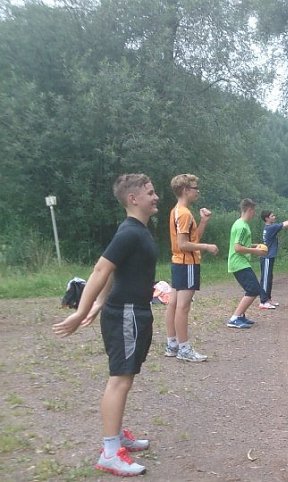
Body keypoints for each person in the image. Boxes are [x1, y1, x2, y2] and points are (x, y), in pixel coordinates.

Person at [52, 174, 159, 477]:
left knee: (125, 377)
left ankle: (117, 435)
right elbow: (101, 268)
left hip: (132, 311)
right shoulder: (129, 232)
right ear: (132, 199)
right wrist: (81, 310)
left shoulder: (136, 231)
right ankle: (110, 452)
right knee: (119, 380)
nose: (156, 197)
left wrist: (99, 304)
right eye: (150, 193)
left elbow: (115, 272)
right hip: (126, 313)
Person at [164, 174, 218, 362]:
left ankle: (172, 344)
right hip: (187, 263)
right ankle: (184, 349)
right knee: (183, 307)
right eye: (195, 188)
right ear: (186, 190)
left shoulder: (177, 211)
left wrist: (203, 221)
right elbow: (184, 244)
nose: (198, 191)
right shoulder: (184, 214)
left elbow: (191, 239)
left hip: (178, 262)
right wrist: (207, 247)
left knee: (173, 304)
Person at [226, 198, 267, 329]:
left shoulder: (240, 223)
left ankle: (241, 316)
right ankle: (235, 318)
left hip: (240, 262)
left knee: (252, 289)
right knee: (254, 289)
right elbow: (237, 247)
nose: (254, 214)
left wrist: (256, 245)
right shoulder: (242, 226)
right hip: (239, 263)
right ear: (249, 210)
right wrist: (256, 251)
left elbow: (242, 244)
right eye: (254, 211)